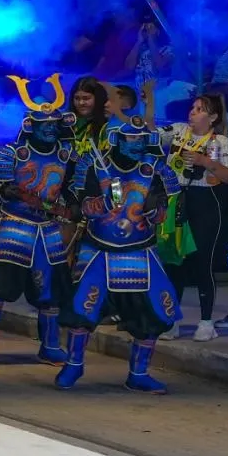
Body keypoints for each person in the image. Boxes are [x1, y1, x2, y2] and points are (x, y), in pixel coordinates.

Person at [57, 111, 180, 393]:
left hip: (140, 251)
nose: (136, 145)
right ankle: (73, 365)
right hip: (99, 250)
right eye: (130, 139)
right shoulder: (93, 165)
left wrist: (152, 208)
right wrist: (99, 205)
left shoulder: (156, 168)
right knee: (82, 309)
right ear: (117, 140)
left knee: (156, 311)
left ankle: (139, 373)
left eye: (141, 139)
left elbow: (163, 213)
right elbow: (80, 207)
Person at [0, 75, 74, 367]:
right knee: (0, 286)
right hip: (16, 225)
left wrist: (72, 208)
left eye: (54, 125)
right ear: (31, 126)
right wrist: (7, 190)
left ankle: (50, 344)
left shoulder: (67, 156)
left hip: (50, 228)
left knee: (51, 289)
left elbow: (72, 190)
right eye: (44, 126)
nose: (50, 130)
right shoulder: (11, 153)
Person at [162, 94, 228, 341]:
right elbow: (148, 131)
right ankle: (172, 320)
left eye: (200, 109)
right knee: (174, 264)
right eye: (192, 107)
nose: (192, 112)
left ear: (212, 117)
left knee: (203, 264)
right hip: (178, 202)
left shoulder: (220, 141)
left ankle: (206, 321)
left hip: (207, 205)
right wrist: (147, 105)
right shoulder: (179, 132)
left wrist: (204, 161)